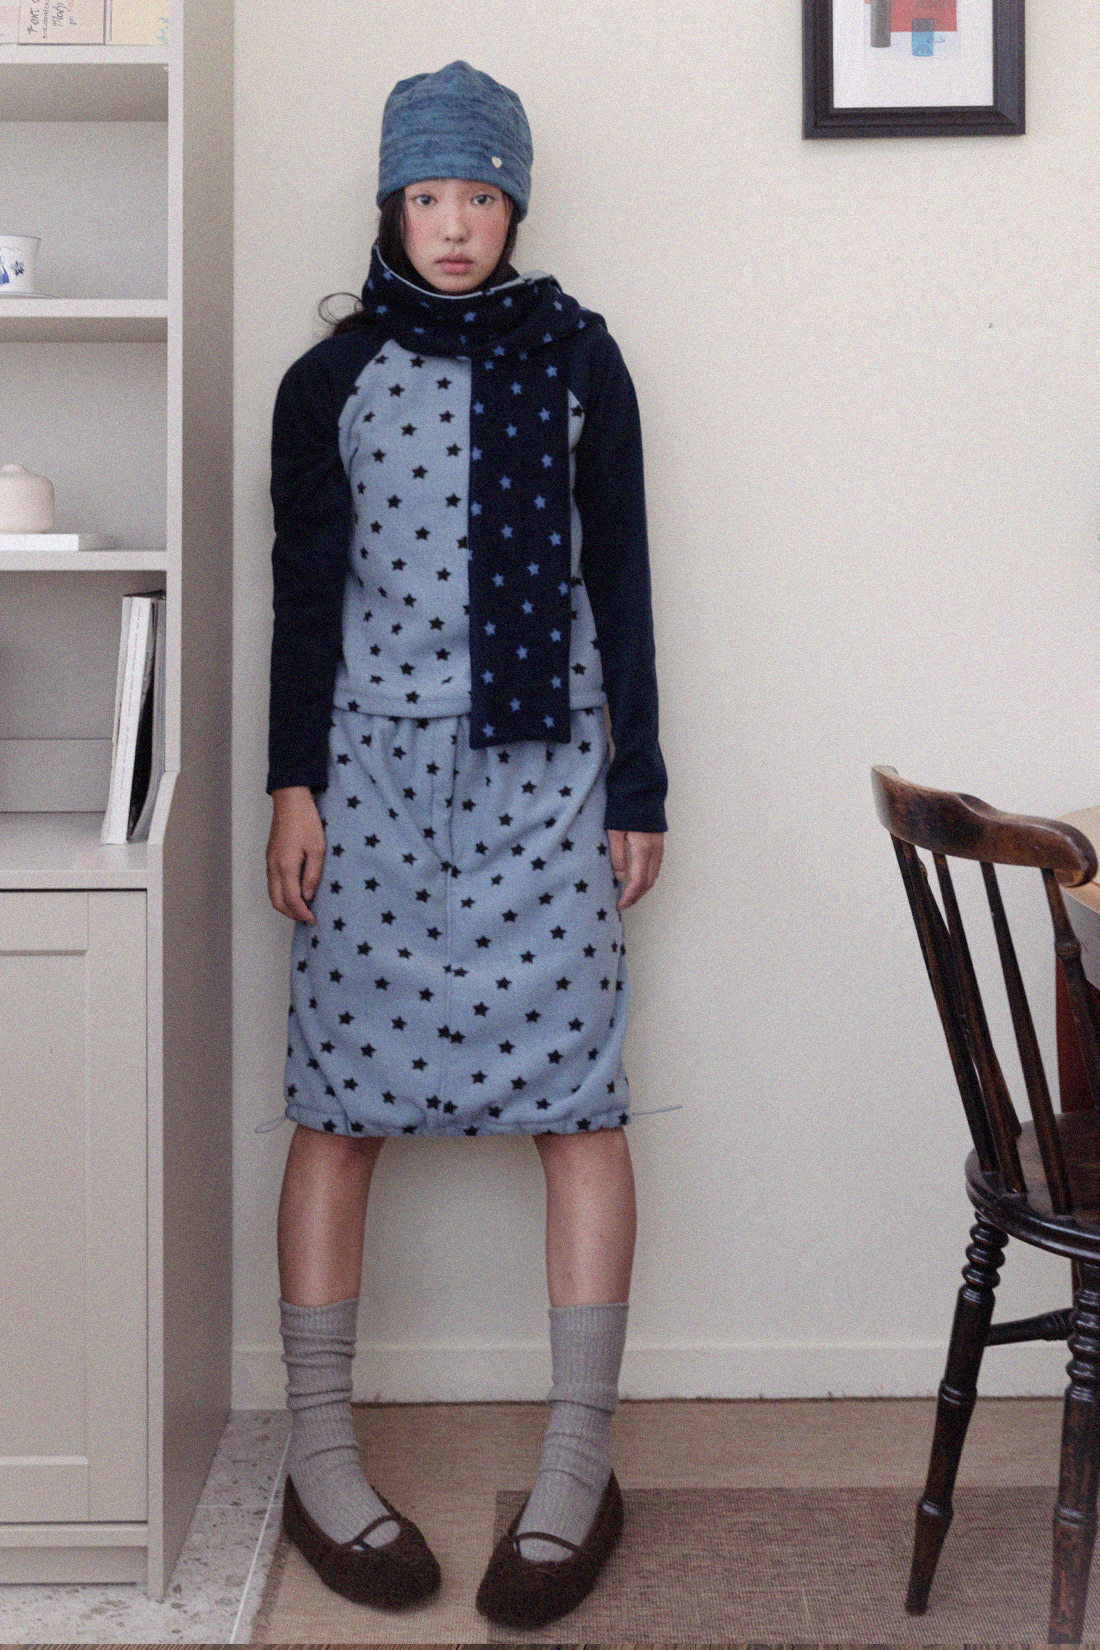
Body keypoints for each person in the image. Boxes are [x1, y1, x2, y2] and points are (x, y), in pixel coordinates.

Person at [265, 60, 667, 1629]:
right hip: (367, 778)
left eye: (480, 195)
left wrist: (640, 786)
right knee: (336, 1109)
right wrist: (292, 787)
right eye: (426, 194)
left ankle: (578, 1462)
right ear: (391, 205)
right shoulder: (330, 379)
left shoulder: (581, 361)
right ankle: (318, 1454)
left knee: (580, 1102)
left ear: (515, 206)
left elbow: (621, 577)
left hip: (547, 774)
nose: (452, 224)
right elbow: (306, 599)